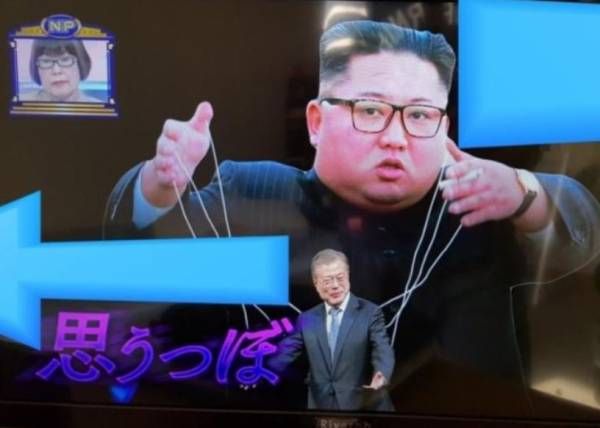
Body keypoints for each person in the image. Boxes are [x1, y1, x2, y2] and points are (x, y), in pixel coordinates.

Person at [104, 20, 600, 384]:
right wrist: (159, 186)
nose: (396, 138)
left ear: (444, 128)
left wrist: (523, 192)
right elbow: (131, 259)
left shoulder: (474, 206)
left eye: (420, 116)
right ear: (316, 122)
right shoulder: (253, 190)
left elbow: (584, 238)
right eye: (370, 110)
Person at [269, 249, 394, 411]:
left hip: (362, 406)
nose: (335, 285)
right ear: (316, 283)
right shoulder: (307, 318)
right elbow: (284, 353)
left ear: (348, 276)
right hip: (321, 409)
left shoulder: (370, 312)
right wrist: (258, 371)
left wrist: (382, 373)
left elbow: (382, 348)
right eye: (327, 281)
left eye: (340, 278)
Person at [21, 39, 99, 103]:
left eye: (65, 60)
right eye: (46, 61)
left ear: (81, 65)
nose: (56, 71)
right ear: (36, 70)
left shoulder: (99, 109)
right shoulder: (20, 104)